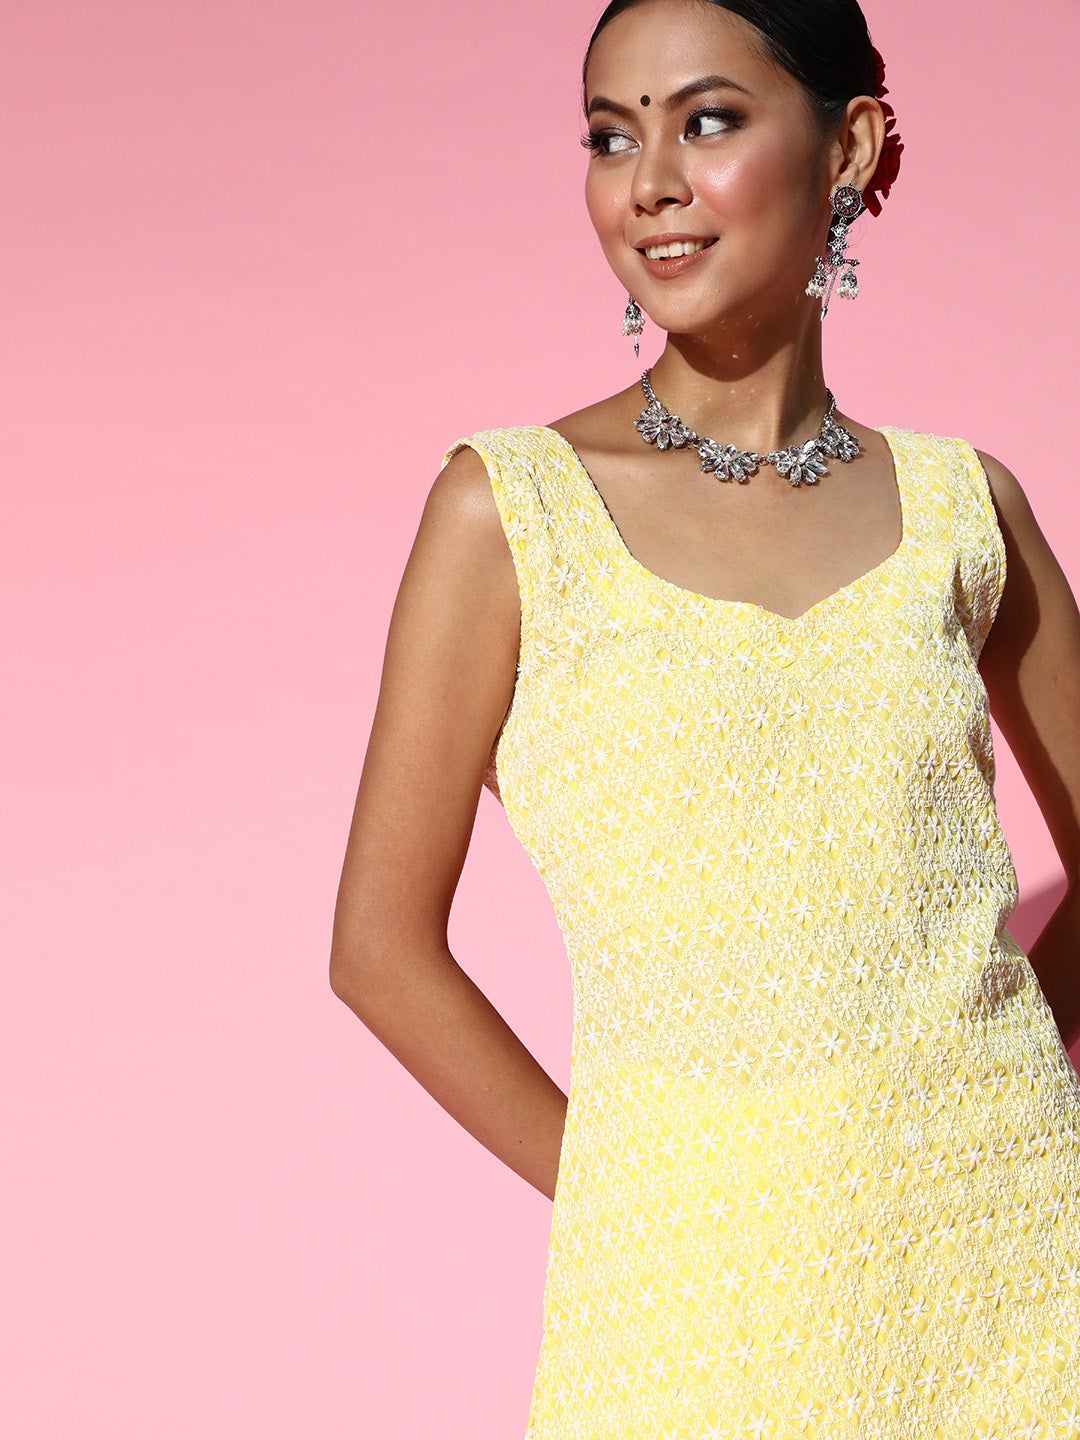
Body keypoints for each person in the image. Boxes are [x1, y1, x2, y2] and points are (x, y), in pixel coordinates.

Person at [330, 0, 1080, 1430]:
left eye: (709, 120)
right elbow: (379, 952)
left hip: (1014, 1277)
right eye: (611, 138)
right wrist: (638, 1192)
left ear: (851, 148)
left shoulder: (962, 508)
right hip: (688, 1298)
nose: (650, 183)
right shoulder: (511, 512)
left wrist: (1003, 1089)